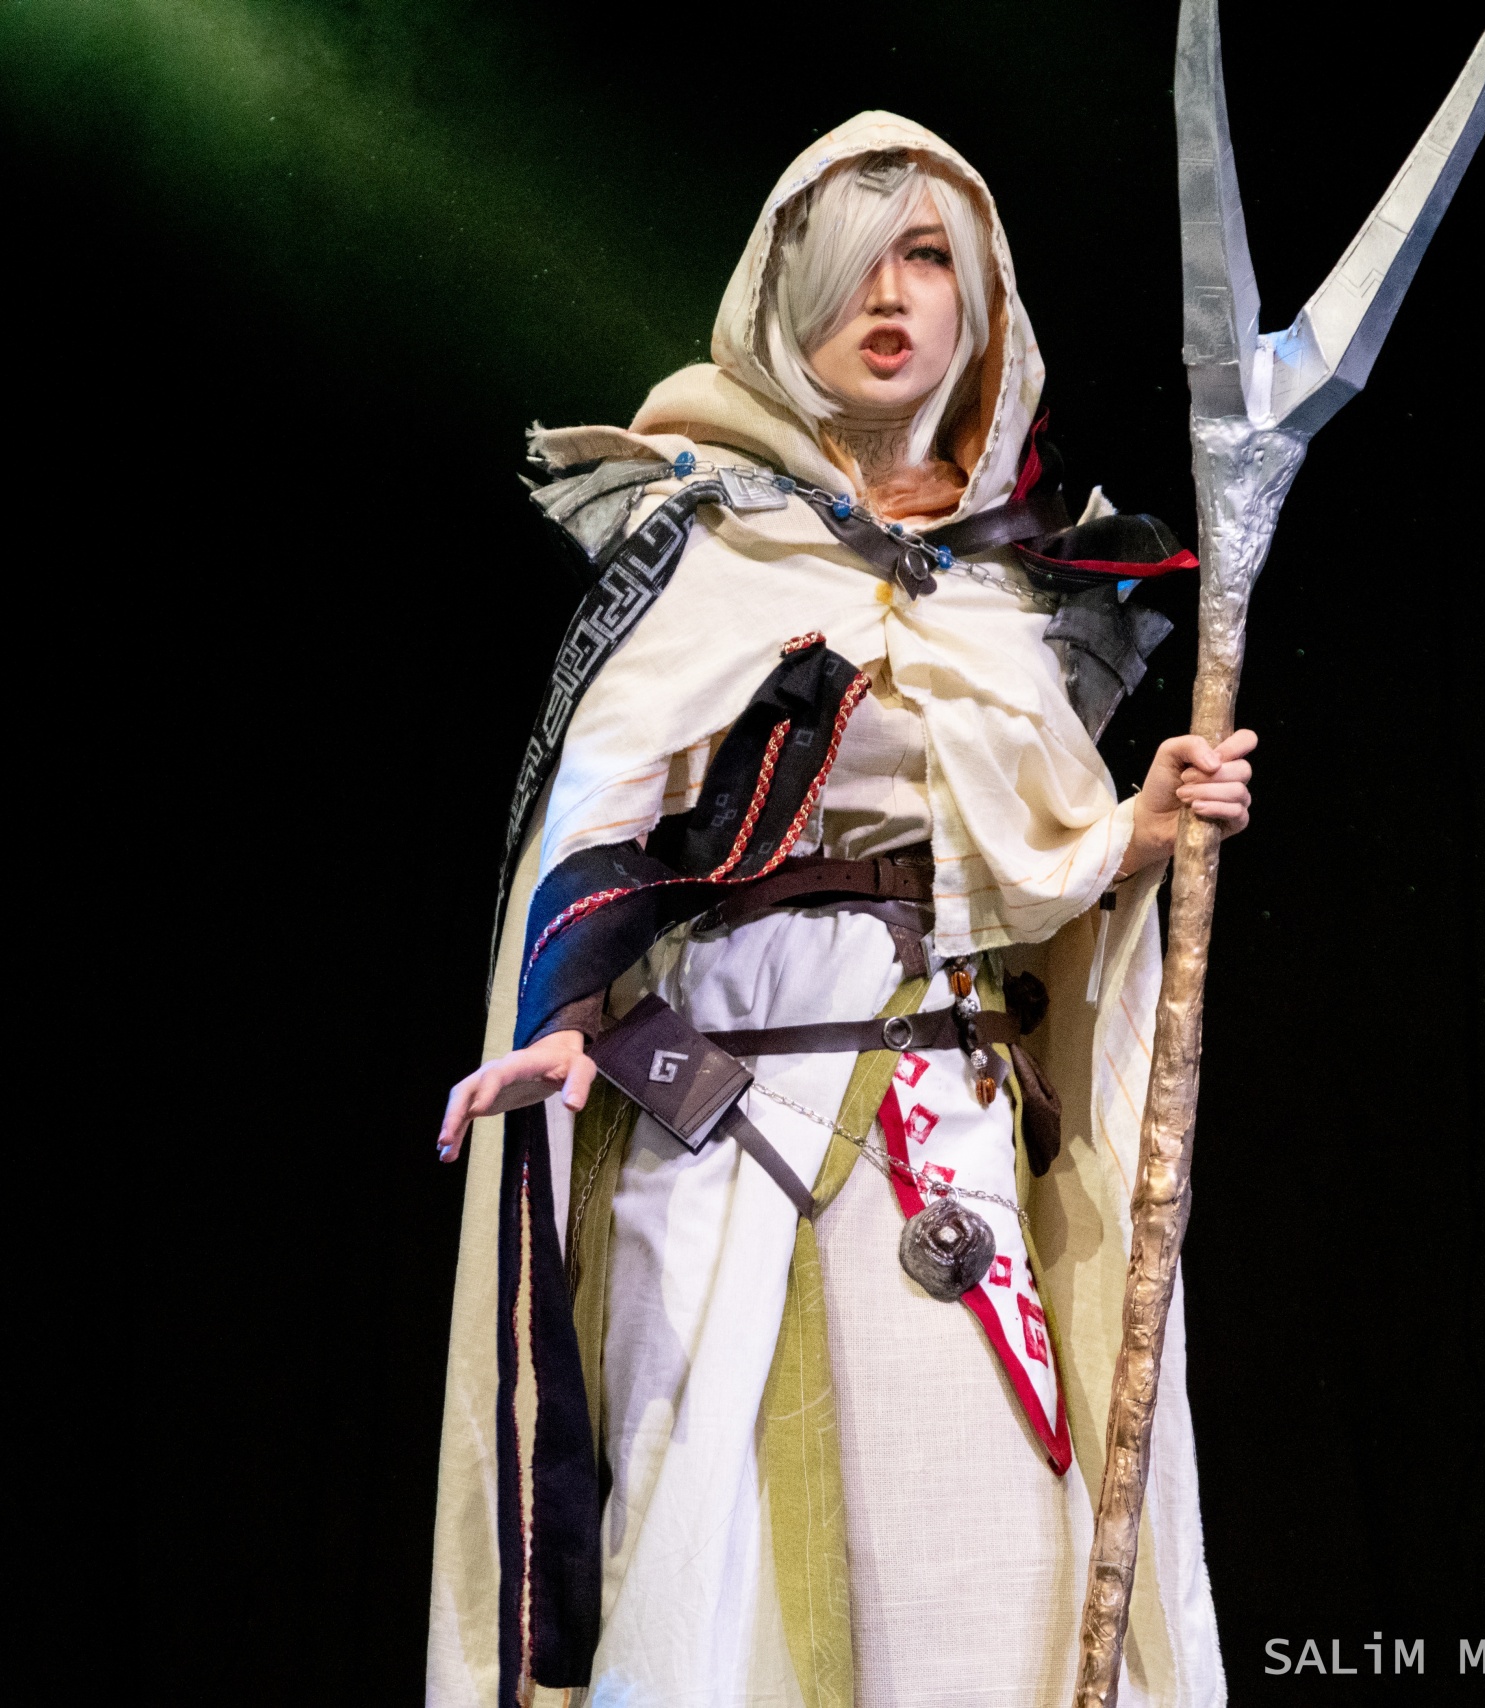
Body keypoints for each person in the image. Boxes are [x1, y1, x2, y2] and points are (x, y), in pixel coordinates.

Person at [428, 112, 1254, 1707]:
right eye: (852, 261)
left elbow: (1027, 867)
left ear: (979, 305)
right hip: (733, 1139)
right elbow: (597, 817)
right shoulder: (705, 542)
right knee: (721, 1587)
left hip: (956, 1143)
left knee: (996, 1595)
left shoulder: (1013, 588)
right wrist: (560, 1014)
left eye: (927, 257)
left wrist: (1135, 832)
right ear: (782, 298)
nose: (890, 293)